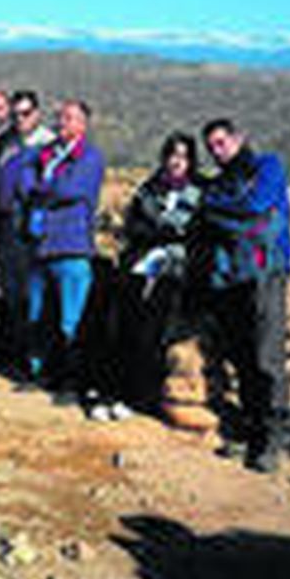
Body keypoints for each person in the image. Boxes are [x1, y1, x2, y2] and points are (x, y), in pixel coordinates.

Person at [198, 118, 290, 474]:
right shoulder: (220, 183)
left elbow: (257, 205)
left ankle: (275, 435)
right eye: (211, 147)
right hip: (232, 277)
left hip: (266, 270)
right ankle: (252, 428)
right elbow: (218, 210)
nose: (217, 151)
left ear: (239, 139)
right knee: (242, 355)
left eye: (221, 143)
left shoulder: (267, 167)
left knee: (267, 354)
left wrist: (221, 210)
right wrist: (228, 210)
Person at [95, 133, 203, 422]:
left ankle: (138, 397)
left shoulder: (200, 192)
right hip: (142, 263)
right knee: (123, 326)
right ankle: (113, 392)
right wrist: (156, 234)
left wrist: (168, 235)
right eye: (172, 155)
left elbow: (196, 233)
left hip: (175, 270)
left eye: (183, 156)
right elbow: (134, 224)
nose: (176, 162)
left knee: (153, 333)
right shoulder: (150, 189)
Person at [16, 100, 106, 407]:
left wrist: (41, 188)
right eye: (59, 117)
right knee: (37, 313)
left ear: (83, 124)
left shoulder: (90, 157)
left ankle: (70, 380)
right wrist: (44, 187)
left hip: (72, 245)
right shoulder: (44, 153)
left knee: (71, 319)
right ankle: (37, 371)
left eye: (69, 118)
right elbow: (24, 180)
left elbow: (71, 189)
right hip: (41, 243)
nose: (61, 122)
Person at [0, 90, 59, 375]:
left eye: (25, 113)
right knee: (10, 291)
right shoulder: (8, 142)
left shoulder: (48, 145)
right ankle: (13, 352)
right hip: (8, 224)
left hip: (32, 228)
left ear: (37, 114)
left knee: (32, 294)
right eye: (15, 114)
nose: (19, 119)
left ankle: (34, 360)